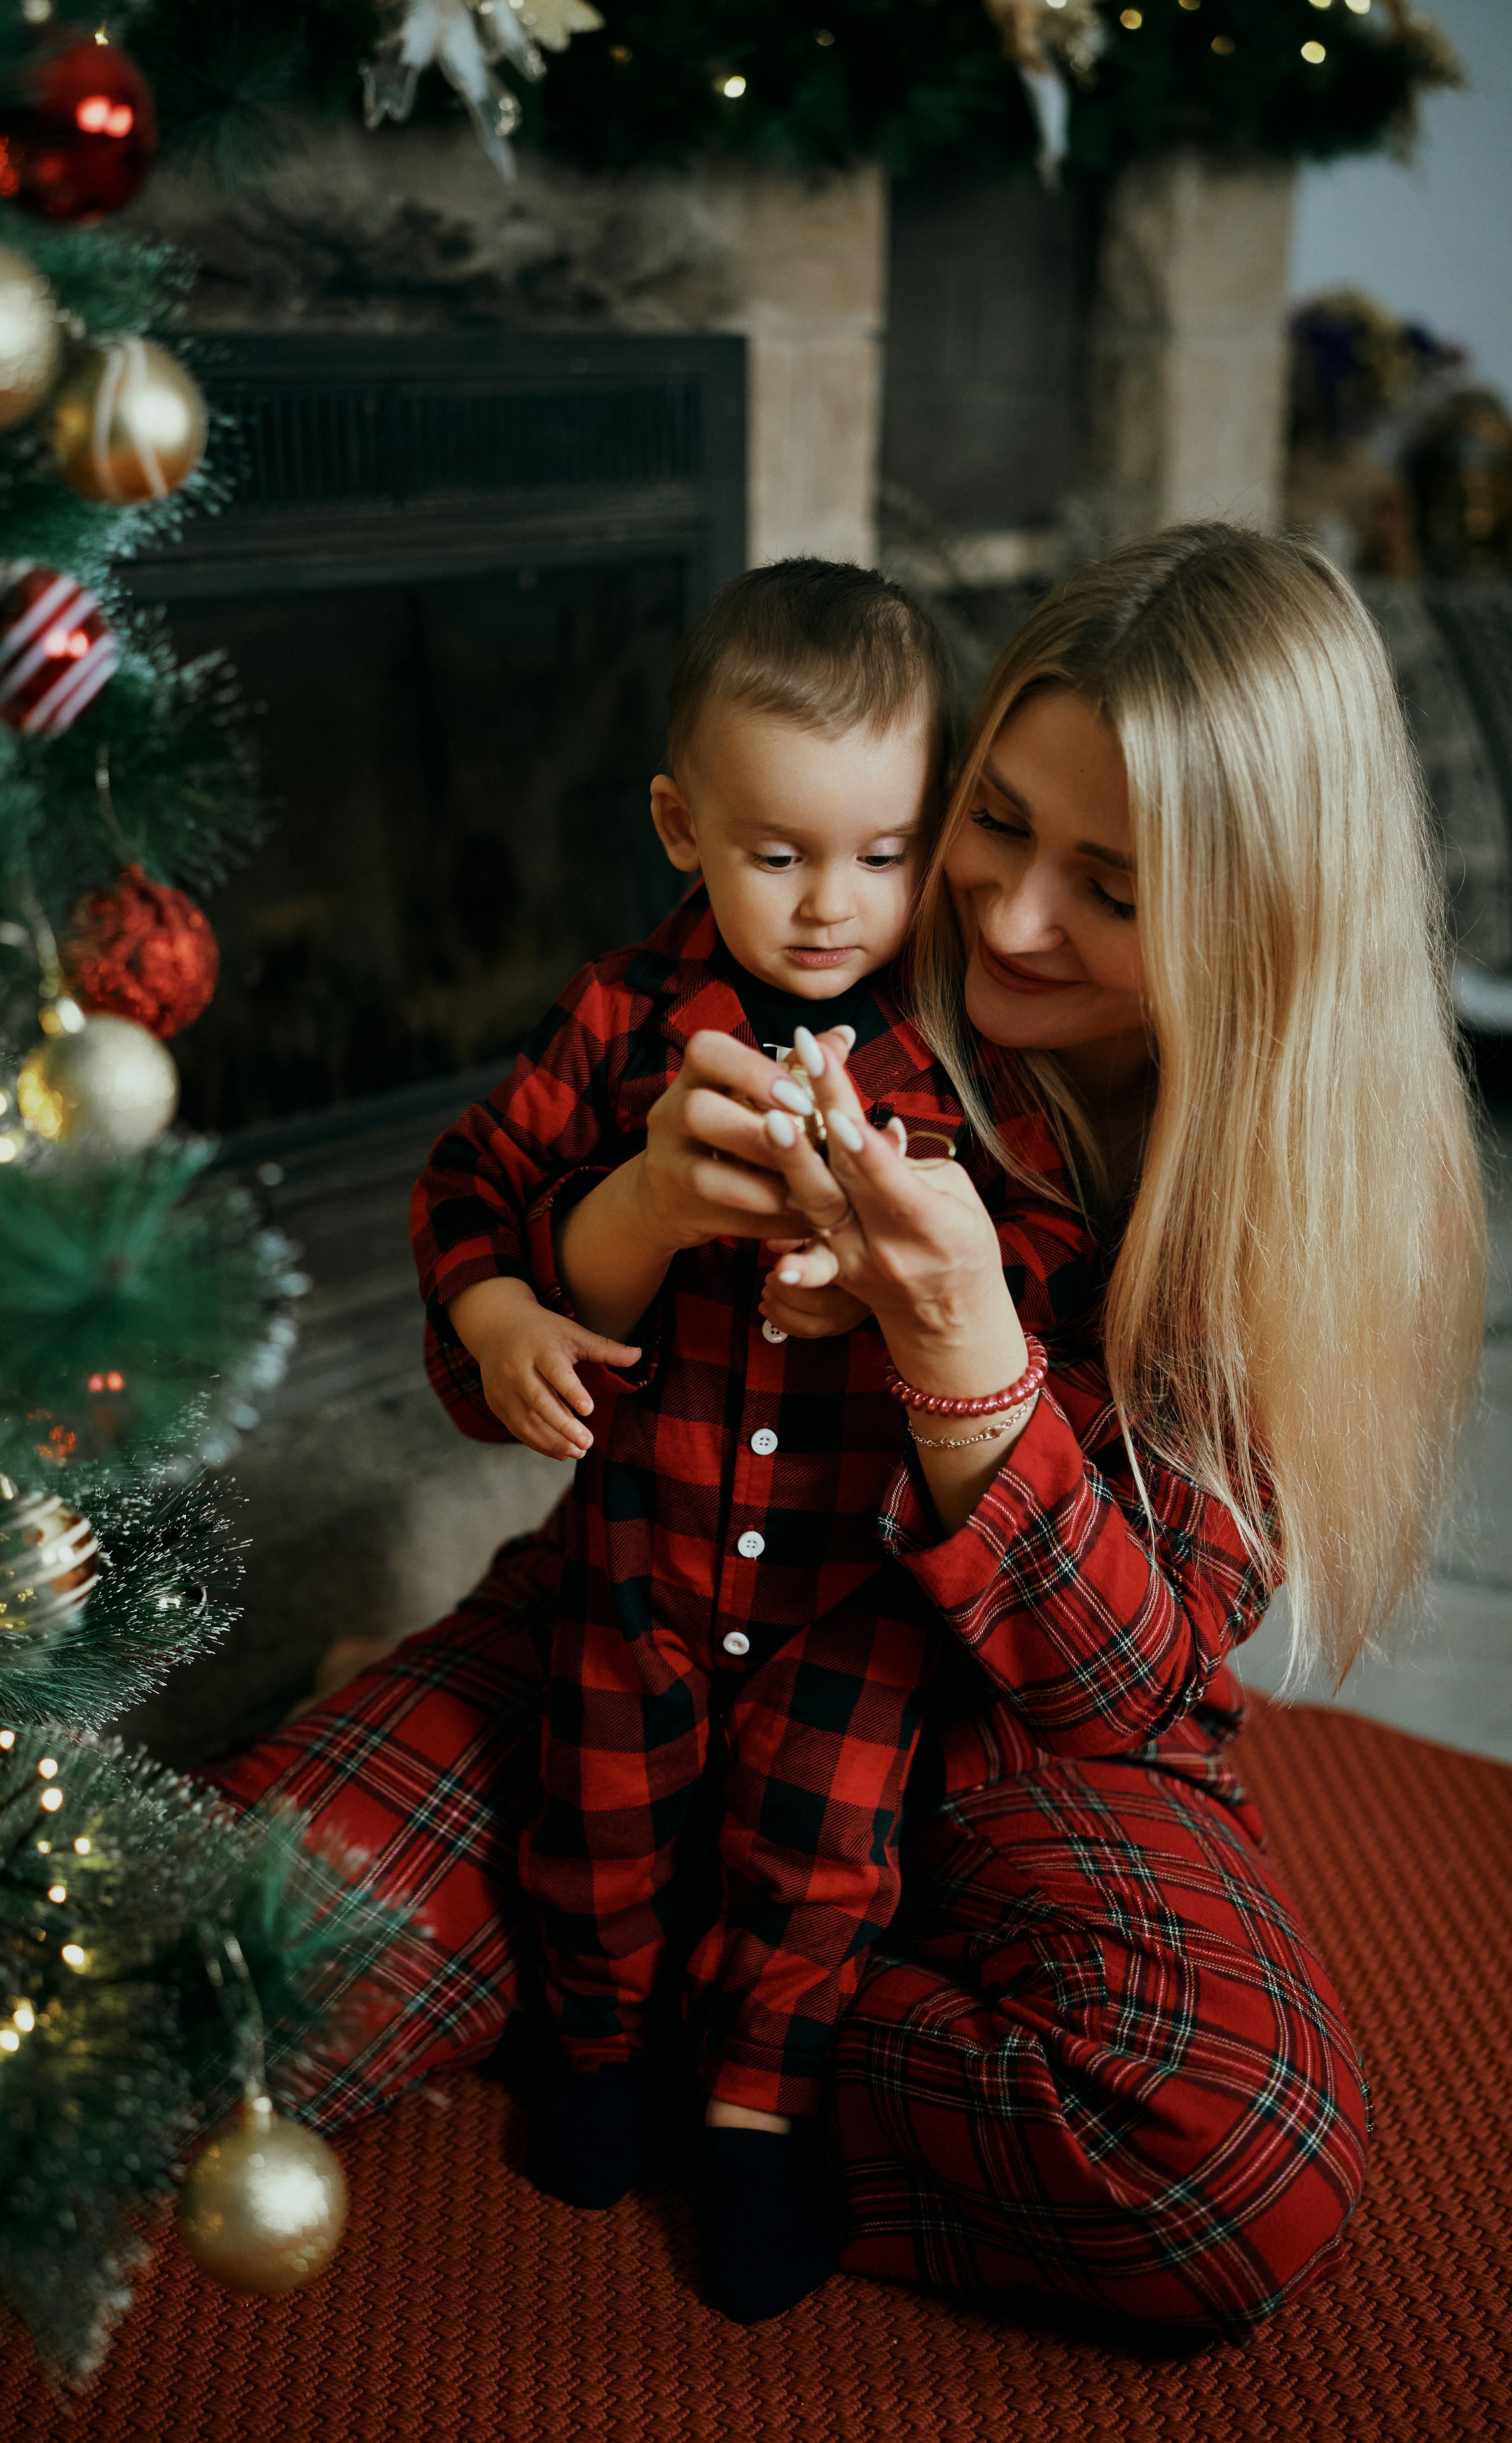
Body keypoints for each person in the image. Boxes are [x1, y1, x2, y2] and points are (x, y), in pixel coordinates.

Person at [214, 523, 1486, 2339]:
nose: (1007, 917)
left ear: (1262, 919)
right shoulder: (803, 985)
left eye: (1115, 890)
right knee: (211, 1961)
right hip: (654, 1625)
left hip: (1005, 1725)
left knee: (1220, 2168)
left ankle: (672, 1980)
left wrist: (963, 1352)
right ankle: (623, 1928)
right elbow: (494, 1286)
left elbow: (1117, 1689)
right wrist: (639, 1209)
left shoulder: (1320, 1189)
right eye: (993, 823)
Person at [409, 559, 1092, 2320]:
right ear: (677, 822)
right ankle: (599, 2044)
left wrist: (898, 1290)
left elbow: (1033, 1277)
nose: (825, 909)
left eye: (880, 855)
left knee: (820, 1856)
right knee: (599, 1815)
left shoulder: (962, 1065)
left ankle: (755, 2109)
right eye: (775, 853)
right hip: (645, 1555)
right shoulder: (629, 1019)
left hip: (851, 1596)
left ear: (930, 833)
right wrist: (503, 1311)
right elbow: (475, 1190)